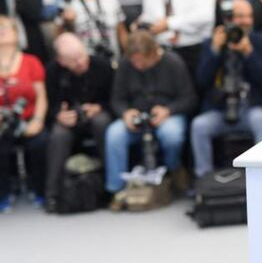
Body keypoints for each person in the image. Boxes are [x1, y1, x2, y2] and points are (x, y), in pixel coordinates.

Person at [105, 31, 197, 194]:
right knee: (114, 134)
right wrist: (125, 113)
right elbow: (116, 99)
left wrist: (168, 110)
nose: (139, 66)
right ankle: (116, 189)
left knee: (172, 135)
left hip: (168, 115)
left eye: (143, 62)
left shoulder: (173, 62)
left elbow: (189, 98)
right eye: (135, 62)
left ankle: (173, 171)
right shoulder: (126, 64)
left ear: (154, 53)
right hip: (136, 118)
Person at [190, 0, 262, 176]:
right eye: (241, 16)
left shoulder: (258, 41)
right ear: (228, 19)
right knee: (199, 126)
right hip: (219, 109)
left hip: (249, 108)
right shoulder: (212, 42)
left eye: (249, 16)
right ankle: (204, 181)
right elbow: (201, 82)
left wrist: (248, 53)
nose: (247, 21)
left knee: (261, 119)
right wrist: (214, 51)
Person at [44, 33, 114, 212]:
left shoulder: (102, 66)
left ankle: (110, 187)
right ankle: (53, 194)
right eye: (73, 60)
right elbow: (48, 104)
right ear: (61, 61)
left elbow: (115, 98)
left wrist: (99, 107)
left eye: (82, 56)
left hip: (98, 116)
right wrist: (58, 115)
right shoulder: (53, 72)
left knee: (102, 124)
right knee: (58, 135)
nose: (80, 63)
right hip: (69, 121)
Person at [0, 15, 48, 212]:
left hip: (28, 117)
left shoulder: (30, 61)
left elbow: (41, 97)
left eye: (5, 27)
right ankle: (3, 193)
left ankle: (39, 190)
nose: (1, 31)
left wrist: (37, 120)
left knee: (40, 142)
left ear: (17, 34)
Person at [55, 0, 127, 64]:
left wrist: (128, 55)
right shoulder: (67, 4)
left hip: (112, 59)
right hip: (82, 62)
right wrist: (68, 22)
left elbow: (121, 31)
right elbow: (59, 37)